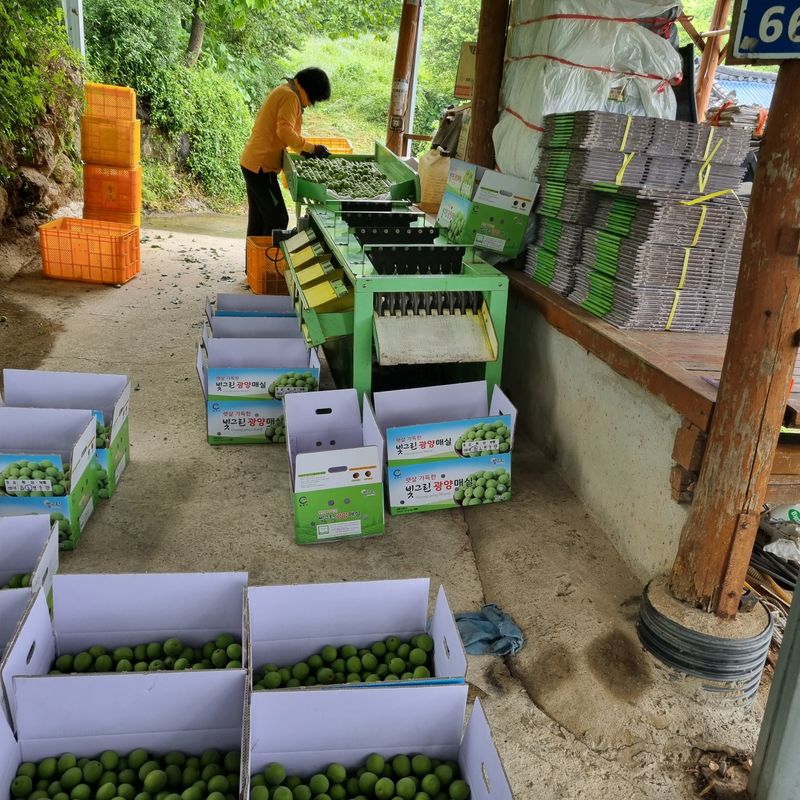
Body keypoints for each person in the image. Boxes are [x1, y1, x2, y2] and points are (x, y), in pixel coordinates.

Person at [240, 67, 332, 238]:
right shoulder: (290, 97)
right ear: (309, 90)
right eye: (314, 100)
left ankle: (255, 264)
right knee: (277, 219)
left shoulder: (285, 90)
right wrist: (312, 148)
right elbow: (285, 132)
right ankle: (266, 262)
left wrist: (303, 150)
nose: (311, 104)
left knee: (258, 220)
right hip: (261, 167)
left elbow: (281, 133)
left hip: (253, 162)